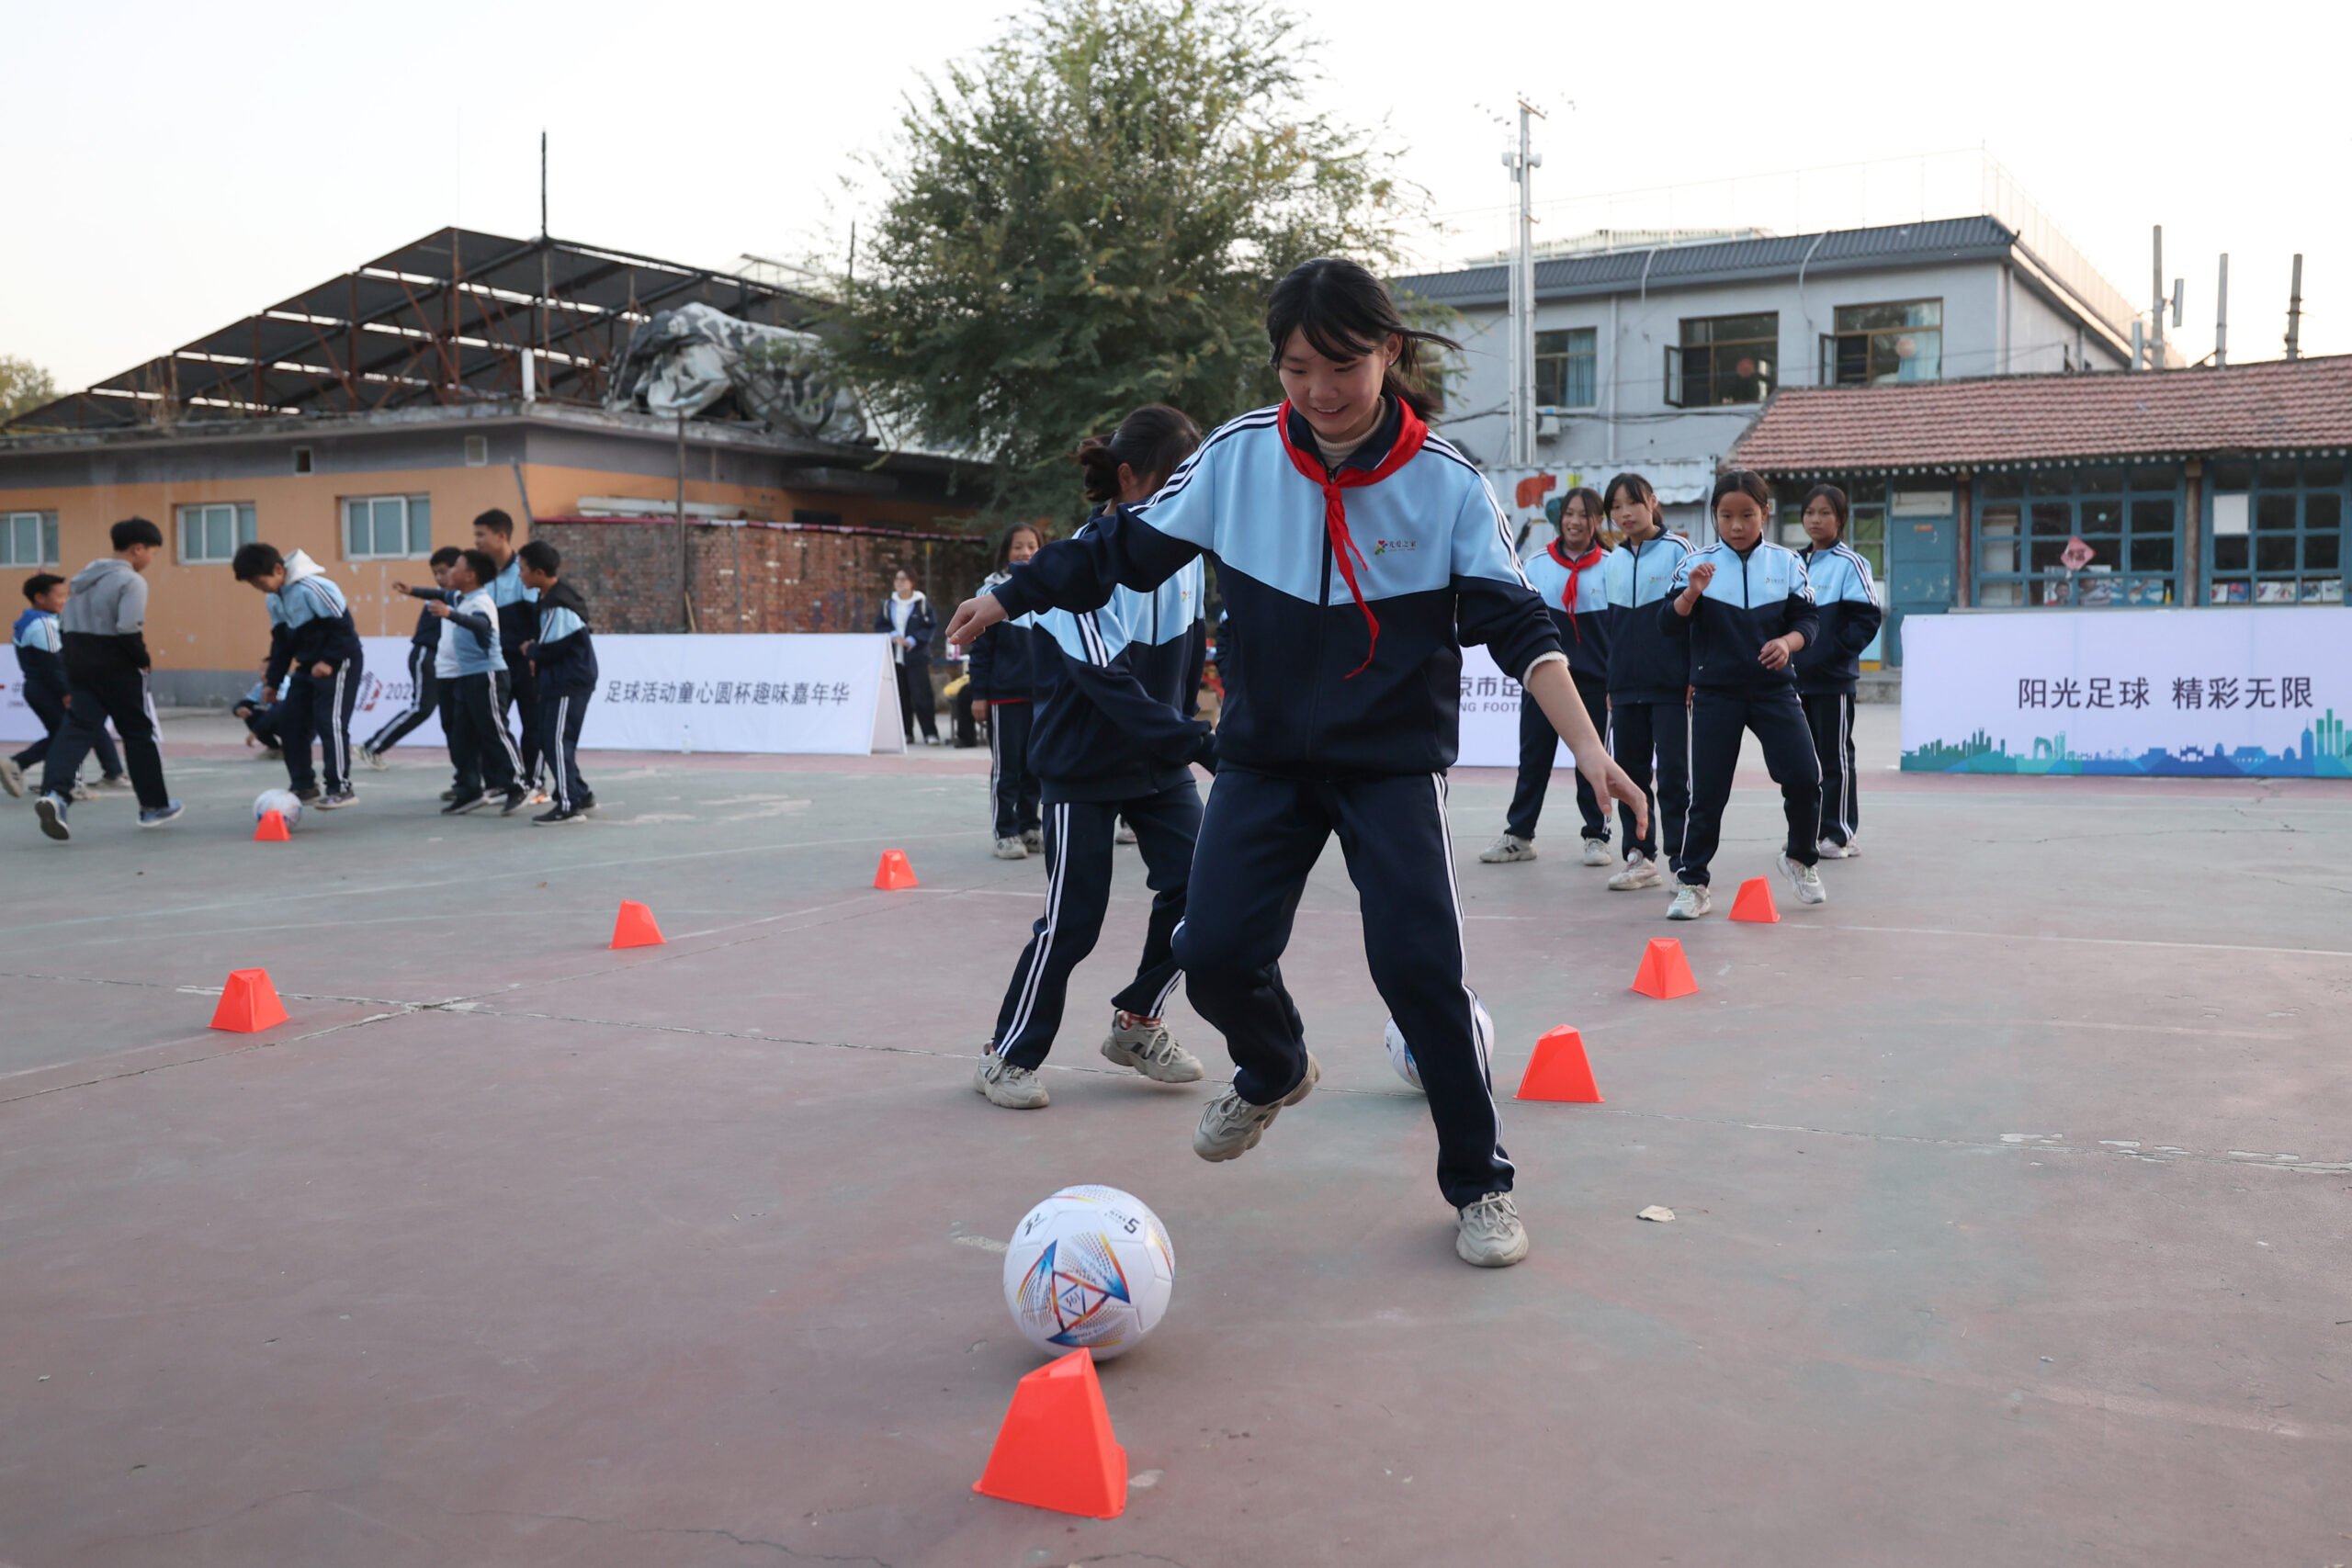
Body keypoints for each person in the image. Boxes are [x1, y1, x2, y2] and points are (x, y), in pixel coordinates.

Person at [946, 257, 1646, 1269]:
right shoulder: (1237, 458)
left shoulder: (1446, 482)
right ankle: (1272, 1068)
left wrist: (1587, 744)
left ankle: (1480, 1186)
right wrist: (1015, 593)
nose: (1319, 391)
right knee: (1213, 950)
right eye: (1295, 367)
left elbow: (1518, 624)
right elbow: (1119, 548)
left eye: (1342, 365)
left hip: (1389, 768)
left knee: (1420, 974)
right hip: (1263, 765)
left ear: (1388, 353)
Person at [972, 407, 1220, 1111]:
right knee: (1073, 921)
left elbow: (1189, 661)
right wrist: (1201, 744)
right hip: (1084, 768)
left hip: (1160, 765)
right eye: (1171, 483)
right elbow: (1112, 684)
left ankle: (1139, 1021)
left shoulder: (1186, 558)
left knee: (1206, 896)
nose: (1184, 501)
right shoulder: (1075, 569)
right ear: (1127, 478)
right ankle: (1007, 1053)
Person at [1660, 469, 1825, 919]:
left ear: (1765, 513)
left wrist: (1788, 643)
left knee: (1805, 778)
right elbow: (1667, 625)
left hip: (1775, 691)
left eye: (1747, 514)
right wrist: (1691, 594)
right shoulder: (1697, 565)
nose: (1736, 525)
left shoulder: (1788, 563)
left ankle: (1800, 859)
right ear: (1714, 515)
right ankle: (1692, 882)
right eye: (1726, 515)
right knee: (1708, 794)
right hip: (1716, 694)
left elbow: (1809, 621)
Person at [1481, 485, 1612, 865]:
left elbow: (1619, 630)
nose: (1574, 521)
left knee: (1593, 760)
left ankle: (1596, 836)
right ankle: (1519, 835)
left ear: (1597, 521)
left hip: (1594, 682)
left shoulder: (1611, 565)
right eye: (1569, 513)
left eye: (1584, 514)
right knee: (1534, 757)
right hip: (1545, 678)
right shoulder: (1536, 564)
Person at [32, 518, 183, 840]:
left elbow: (65, 624)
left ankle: (56, 795)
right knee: (138, 732)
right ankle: (153, 806)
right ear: (138, 548)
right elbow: (128, 627)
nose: (150, 560)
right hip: (116, 661)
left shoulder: (82, 579)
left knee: (76, 728)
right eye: (153, 553)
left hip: (77, 658)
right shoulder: (131, 581)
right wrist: (142, 660)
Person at [1597, 472, 1693, 893]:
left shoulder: (1680, 551)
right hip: (1624, 687)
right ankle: (1640, 855)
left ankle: (1682, 860)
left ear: (1652, 502)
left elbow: (1696, 620)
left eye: (1631, 503)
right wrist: (1609, 683)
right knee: (1630, 776)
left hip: (1670, 686)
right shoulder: (1612, 560)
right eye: (1615, 507)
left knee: (1673, 775)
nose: (1623, 513)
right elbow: (1611, 631)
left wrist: (1692, 675)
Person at [232, 543, 365, 809]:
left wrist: (329, 661)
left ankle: (341, 788)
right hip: (307, 666)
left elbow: (345, 631)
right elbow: (281, 644)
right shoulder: (274, 598)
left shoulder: (314, 588)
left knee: (330, 723)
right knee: (290, 720)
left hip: (340, 662)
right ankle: (303, 784)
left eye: (260, 582)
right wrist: (272, 682)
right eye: (254, 585)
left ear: (279, 569)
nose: (261, 588)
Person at [1792, 485, 1883, 858]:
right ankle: (1808, 833)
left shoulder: (1852, 564)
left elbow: (1867, 619)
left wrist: (1830, 655)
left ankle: (1840, 833)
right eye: (1810, 512)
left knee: (1835, 757)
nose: (1815, 519)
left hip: (1833, 681)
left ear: (1841, 519)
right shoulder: (1792, 562)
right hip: (1794, 682)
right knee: (1802, 761)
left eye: (1825, 512)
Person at [394, 549, 523, 816]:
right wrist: (412, 590)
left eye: (456, 568)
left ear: (470, 575)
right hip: (465, 676)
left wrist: (450, 614)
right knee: (461, 736)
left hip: (487, 674)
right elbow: (439, 594)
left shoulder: (481, 602)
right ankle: (469, 791)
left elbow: (482, 625)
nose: (450, 573)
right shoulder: (459, 596)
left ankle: (518, 784)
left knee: (494, 730)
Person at [4, 572, 130, 799]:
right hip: (50, 690)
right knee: (73, 735)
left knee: (69, 733)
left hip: (42, 689)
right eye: (60, 595)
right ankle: (59, 780)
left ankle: (108, 774)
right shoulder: (42, 624)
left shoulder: (34, 621)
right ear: (40, 598)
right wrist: (66, 692)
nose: (65, 600)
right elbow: (53, 663)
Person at [967, 524, 1046, 857]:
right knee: (1007, 768)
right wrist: (979, 694)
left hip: (1043, 696)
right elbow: (980, 650)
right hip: (1004, 695)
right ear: (1006, 551)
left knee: (1036, 766)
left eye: (1031, 546)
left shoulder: (1051, 588)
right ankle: (1005, 830)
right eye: (1018, 547)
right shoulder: (991, 592)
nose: (1025, 552)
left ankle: (1030, 826)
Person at [358, 545, 464, 772]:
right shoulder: (442, 598)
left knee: (455, 715)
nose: (439, 578)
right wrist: (413, 590)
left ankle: (466, 771)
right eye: (435, 573)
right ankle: (372, 746)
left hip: (446, 662)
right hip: (426, 655)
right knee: (421, 708)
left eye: (443, 572)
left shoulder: (457, 596)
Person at [515, 540, 597, 824]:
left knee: (556, 740)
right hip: (562, 680)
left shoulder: (558, 603)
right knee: (552, 739)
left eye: (523, 569)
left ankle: (568, 803)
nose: (520, 575)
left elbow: (552, 648)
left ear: (538, 572)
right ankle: (580, 793)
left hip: (568, 681)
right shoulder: (553, 598)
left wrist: (530, 650)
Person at [475, 509, 545, 800]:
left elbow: (534, 618)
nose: (477, 541)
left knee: (533, 723)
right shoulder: (482, 575)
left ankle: (535, 782)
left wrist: (532, 655)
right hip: (494, 663)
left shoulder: (522, 571)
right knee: (492, 724)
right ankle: (502, 781)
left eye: (481, 534)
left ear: (501, 536)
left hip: (523, 662)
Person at [877, 568, 939, 745]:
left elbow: (930, 627)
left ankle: (930, 733)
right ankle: (906, 733)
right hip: (896, 657)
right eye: (897, 579)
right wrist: (893, 634)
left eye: (903, 579)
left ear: (912, 582)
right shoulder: (889, 604)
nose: (899, 583)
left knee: (922, 696)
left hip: (916, 656)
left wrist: (913, 640)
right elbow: (880, 625)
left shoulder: (921, 603)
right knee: (901, 696)